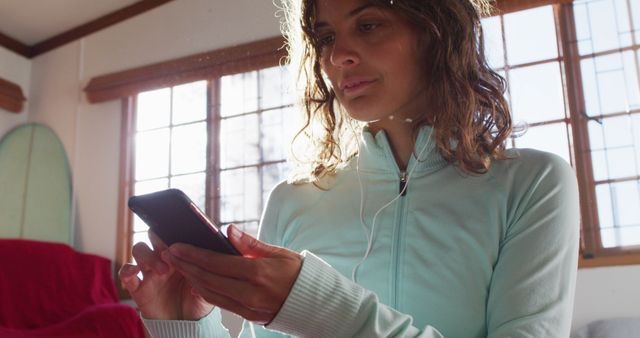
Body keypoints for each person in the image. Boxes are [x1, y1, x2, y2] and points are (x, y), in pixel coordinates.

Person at [119, 0, 581, 337]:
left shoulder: (533, 185)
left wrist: (319, 306)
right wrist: (186, 324)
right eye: (326, 38)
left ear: (436, 28)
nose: (339, 56)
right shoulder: (293, 200)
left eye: (370, 24)